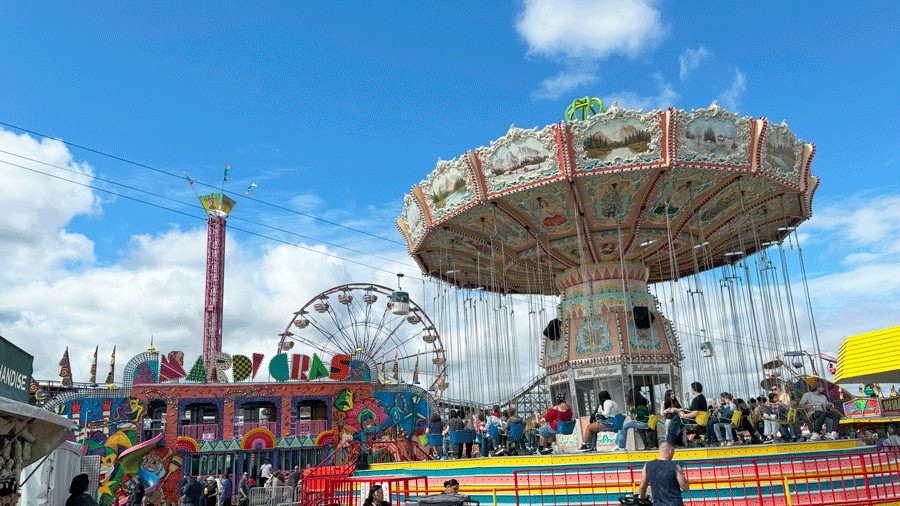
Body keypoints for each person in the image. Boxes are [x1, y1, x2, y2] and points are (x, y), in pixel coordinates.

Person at [637, 441, 690, 505]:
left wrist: (642, 497)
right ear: (670, 452)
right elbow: (685, 488)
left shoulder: (647, 465)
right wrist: (687, 484)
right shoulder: (676, 467)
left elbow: (642, 486)